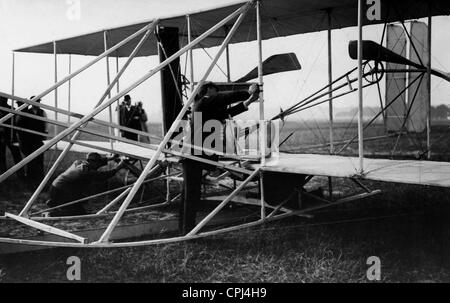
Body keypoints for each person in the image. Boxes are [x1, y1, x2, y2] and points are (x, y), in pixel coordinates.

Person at [179, 81, 260, 235]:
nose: (217, 94)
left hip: (196, 155)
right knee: (191, 195)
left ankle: (185, 229)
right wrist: (247, 92)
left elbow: (227, 113)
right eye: (214, 91)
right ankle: (187, 231)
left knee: (190, 194)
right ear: (208, 91)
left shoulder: (205, 109)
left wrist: (249, 101)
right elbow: (225, 98)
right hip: (192, 155)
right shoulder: (202, 102)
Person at [46, 152, 126, 217]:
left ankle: (54, 203)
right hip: (62, 191)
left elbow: (97, 163)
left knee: (82, 203)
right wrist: (118, 167)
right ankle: (52, 214)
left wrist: (110, 158)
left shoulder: (79, 162)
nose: (99, 164)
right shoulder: (86, 172)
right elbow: (103, 176)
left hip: (56, 187)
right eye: (97, 162)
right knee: (78, 212)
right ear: (92, 162)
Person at [15, 96, 47, 183]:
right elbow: (20, 125)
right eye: (36, 101)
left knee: (39, 159)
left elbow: (45, 123)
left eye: (38, 101)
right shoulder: (26, 112)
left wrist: (44, 134)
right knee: (30, 159)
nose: (37, 103)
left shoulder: (42, 112)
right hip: (28, 140)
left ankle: (40, 178)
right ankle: (30, 178)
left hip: (38, 139)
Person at [0, 96, 24, 177]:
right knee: (2, 156)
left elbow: (16, 122)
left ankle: (20, 173)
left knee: (16, 155)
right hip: (3, 135)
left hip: (11, 135)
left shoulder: (12, 109)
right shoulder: (12, 109)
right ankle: (3, 174)